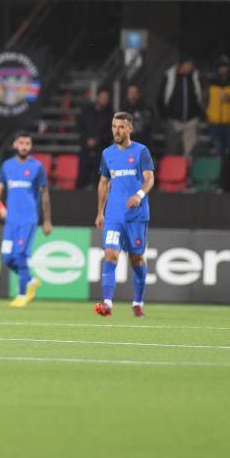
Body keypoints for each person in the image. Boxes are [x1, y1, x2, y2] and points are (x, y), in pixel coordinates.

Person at [94, 112, 155, 318]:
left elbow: (150, 179)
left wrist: (139, 195)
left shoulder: (141, 151)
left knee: (136, 259)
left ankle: (138, 302)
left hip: (136, 216)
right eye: (114, 126)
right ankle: (107, 303)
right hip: (114, 215)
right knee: (110, 255)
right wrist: (100, 212)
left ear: (130, 128)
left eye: (121, 127)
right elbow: (103, 183)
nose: (116, 131)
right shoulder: (107, 154)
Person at [0, 131, 51, 309]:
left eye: (27, 144)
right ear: (15, 145)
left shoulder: (37, 167)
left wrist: (47, 220)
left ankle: (22, 294)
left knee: (20, 256)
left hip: (28, 220)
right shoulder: (7, 166)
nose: (24, 147)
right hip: (11, 220)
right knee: (7, 258)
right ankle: (30, 280)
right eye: (21, 143)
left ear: (30, 146)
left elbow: (45, 195)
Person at [160, 59, 204, 157]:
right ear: (183, 65)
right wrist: (164, 114)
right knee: (171, 149)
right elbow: (161, 96)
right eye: (189, 65)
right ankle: (172, 167)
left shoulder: (194, 76)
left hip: (191, 119)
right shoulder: (170, 76)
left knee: (189, 152)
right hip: (173, 120)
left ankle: (187, 166)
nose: (191, 67)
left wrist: (199, 113)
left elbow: (199, 95)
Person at [206, 57, 230, 155]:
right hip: (214, 123)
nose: (223, 69)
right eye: (220, 67)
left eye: (225, 67)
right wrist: (208, 115)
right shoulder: (211, 82)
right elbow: (205, 100)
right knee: (218, 151)